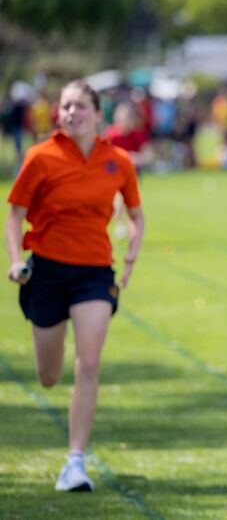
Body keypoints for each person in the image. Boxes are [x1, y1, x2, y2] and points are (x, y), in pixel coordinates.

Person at [5, 80, 144, 492]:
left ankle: (75, 462)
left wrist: (132, 251)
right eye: (66, 106)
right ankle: (72, 451)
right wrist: (15, 260)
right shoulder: (40, 156)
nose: (71, 112)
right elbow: (15, 214)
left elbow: (136, 215)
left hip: (94, 273)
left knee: (89, 360)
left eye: (80, 106)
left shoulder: (118, 161)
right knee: (48, 376)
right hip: (46, 271)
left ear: (97, 114)